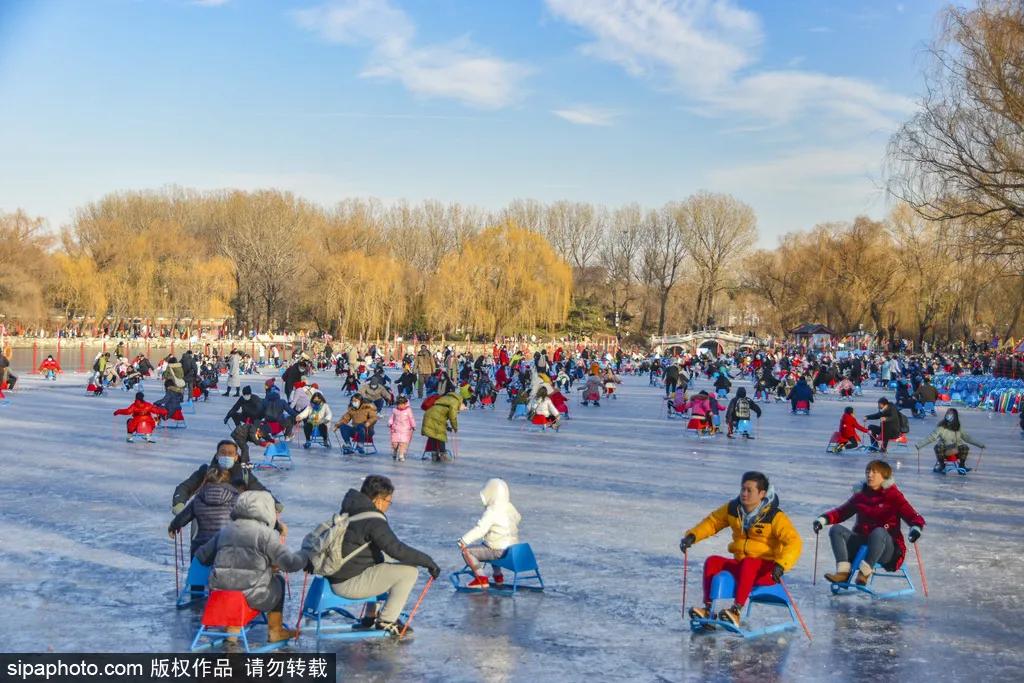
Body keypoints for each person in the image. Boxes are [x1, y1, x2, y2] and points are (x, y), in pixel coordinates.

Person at [680, 471, 801, 628]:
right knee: (713, 562)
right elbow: (713, 522)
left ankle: (736, 611)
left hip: (767, 570)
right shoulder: (733, 508)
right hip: (742, 564)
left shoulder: (774, 516)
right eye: (743, 489)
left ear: (762, 494)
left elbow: (794, 542)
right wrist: (692, 536)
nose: (744, 494)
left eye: (749, 490)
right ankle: (708, 609)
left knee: (749, 563)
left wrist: (781, 565)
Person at [327, 475, 441, 636]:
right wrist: (428, 561)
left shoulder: (352, 509)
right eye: (389, 501)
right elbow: (396, 549)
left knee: (383, 560)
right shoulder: (373, 520)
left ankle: (370, 616)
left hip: (339, 575)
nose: (388, 505)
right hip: (347, 584)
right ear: (379, 500)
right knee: (409, 572)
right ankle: (387, 620)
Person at [195, 491, 307, 647]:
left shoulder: (225, 531)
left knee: (233, 583)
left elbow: (201, 556)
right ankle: (275, 631)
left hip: (220, 597)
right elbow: (290, 563)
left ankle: (232, 633)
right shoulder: (265, 534)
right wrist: (305, 555)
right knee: (278, 582)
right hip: (250, 598)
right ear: (266, 509)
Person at [813, 459, 925, 585]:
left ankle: (864, 573)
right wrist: (823, 520)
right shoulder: (861, 496)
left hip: (887, 549)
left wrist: (916, 528)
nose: (869, 475)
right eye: (867, 472)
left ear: (884, 476)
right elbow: (841, 512)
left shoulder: (894, 496)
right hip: (863, 544)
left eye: (874, 472)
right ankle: (843, 573)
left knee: (878, 532)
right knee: (836, 529)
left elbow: (912, 515)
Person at [172, 440, 282, 515]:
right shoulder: (206, 472)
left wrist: (274, 502)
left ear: (236, 457)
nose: (226, 456)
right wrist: (179, 503)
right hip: (206, 519)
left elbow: (260, 490)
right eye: (223, 453)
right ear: (217, 455)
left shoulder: (244, 474)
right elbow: (185, 487)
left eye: (230, 453)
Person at [457, 478, 521, 590]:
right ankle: (498, 576)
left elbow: (480, 529)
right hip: (513, 548)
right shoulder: (510, 507)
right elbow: (518, 518)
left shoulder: (492, 511)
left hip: (499, 550)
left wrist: (464, 540)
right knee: (489, 546)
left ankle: (481, 579)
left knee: (467, 552)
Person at [168, 464, 239, 557]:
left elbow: (183, 517)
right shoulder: (235, 498)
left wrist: (173, 526)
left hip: (201, 550)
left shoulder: (199, 499)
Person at [916, 407, 985, 473]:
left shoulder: (958, 427)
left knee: (965, 447)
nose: (948, 415)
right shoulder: (941, 427)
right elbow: (931, 437)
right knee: (938, 446)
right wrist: (919, 445)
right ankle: (942, 465)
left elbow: (967, 438)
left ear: (955, 416)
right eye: (947, 414)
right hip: (945, 451)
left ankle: (962, 465)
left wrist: (980, 445)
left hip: (956, 450)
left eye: (951, 414)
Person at [421, 391, 461, 461]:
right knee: (441, 437)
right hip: (435, 418)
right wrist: (455, 427)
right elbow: (452, 417)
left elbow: (440, 415)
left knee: (433, 437)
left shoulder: (446, 398)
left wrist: (447, 427)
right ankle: (442, 455)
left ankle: (435, 455)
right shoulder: (455, 401)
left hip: (429, 415)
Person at [388, 395, 416, 462]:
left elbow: (411, 418)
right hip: (396, 429)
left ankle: (401, 455)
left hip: (405, 429)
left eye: (401, 404)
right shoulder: (395, 410)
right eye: (398, 405)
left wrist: (413, 425)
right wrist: (390, 423)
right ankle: (395, 451)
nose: (400, 406)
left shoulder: (408, 410)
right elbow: (392, 418)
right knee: (395, 443)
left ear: (405, 404)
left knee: (403, 443)